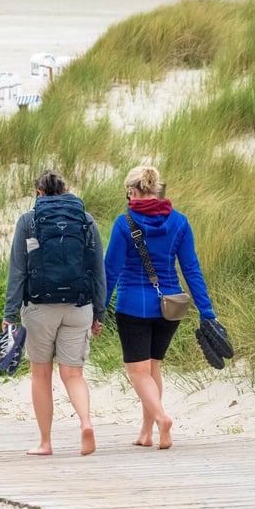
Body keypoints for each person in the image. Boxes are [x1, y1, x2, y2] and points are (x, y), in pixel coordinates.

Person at [104, 165, 219, 450]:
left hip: (133, 306)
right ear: (157, 189)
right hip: (170, 307)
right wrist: (207, 312)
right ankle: (147, 432)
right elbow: (191, 269)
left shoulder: (124, 222)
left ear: (132, 191)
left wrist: (98, 310)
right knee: (153, 367)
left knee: (137, 371)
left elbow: (111, 270)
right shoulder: (180, 222)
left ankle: (162, 418)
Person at [1, 169, 105, 456]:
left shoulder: (28, 221)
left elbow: (18, 270)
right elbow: (97, 269)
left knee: (40, 375)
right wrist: (99, 312)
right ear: (65, 190)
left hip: (39, 308)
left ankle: (46, 442)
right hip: (78, 307)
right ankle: (85, 422)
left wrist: (9, 313)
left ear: (39, 193)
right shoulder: (85, 220)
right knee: (73, 375)